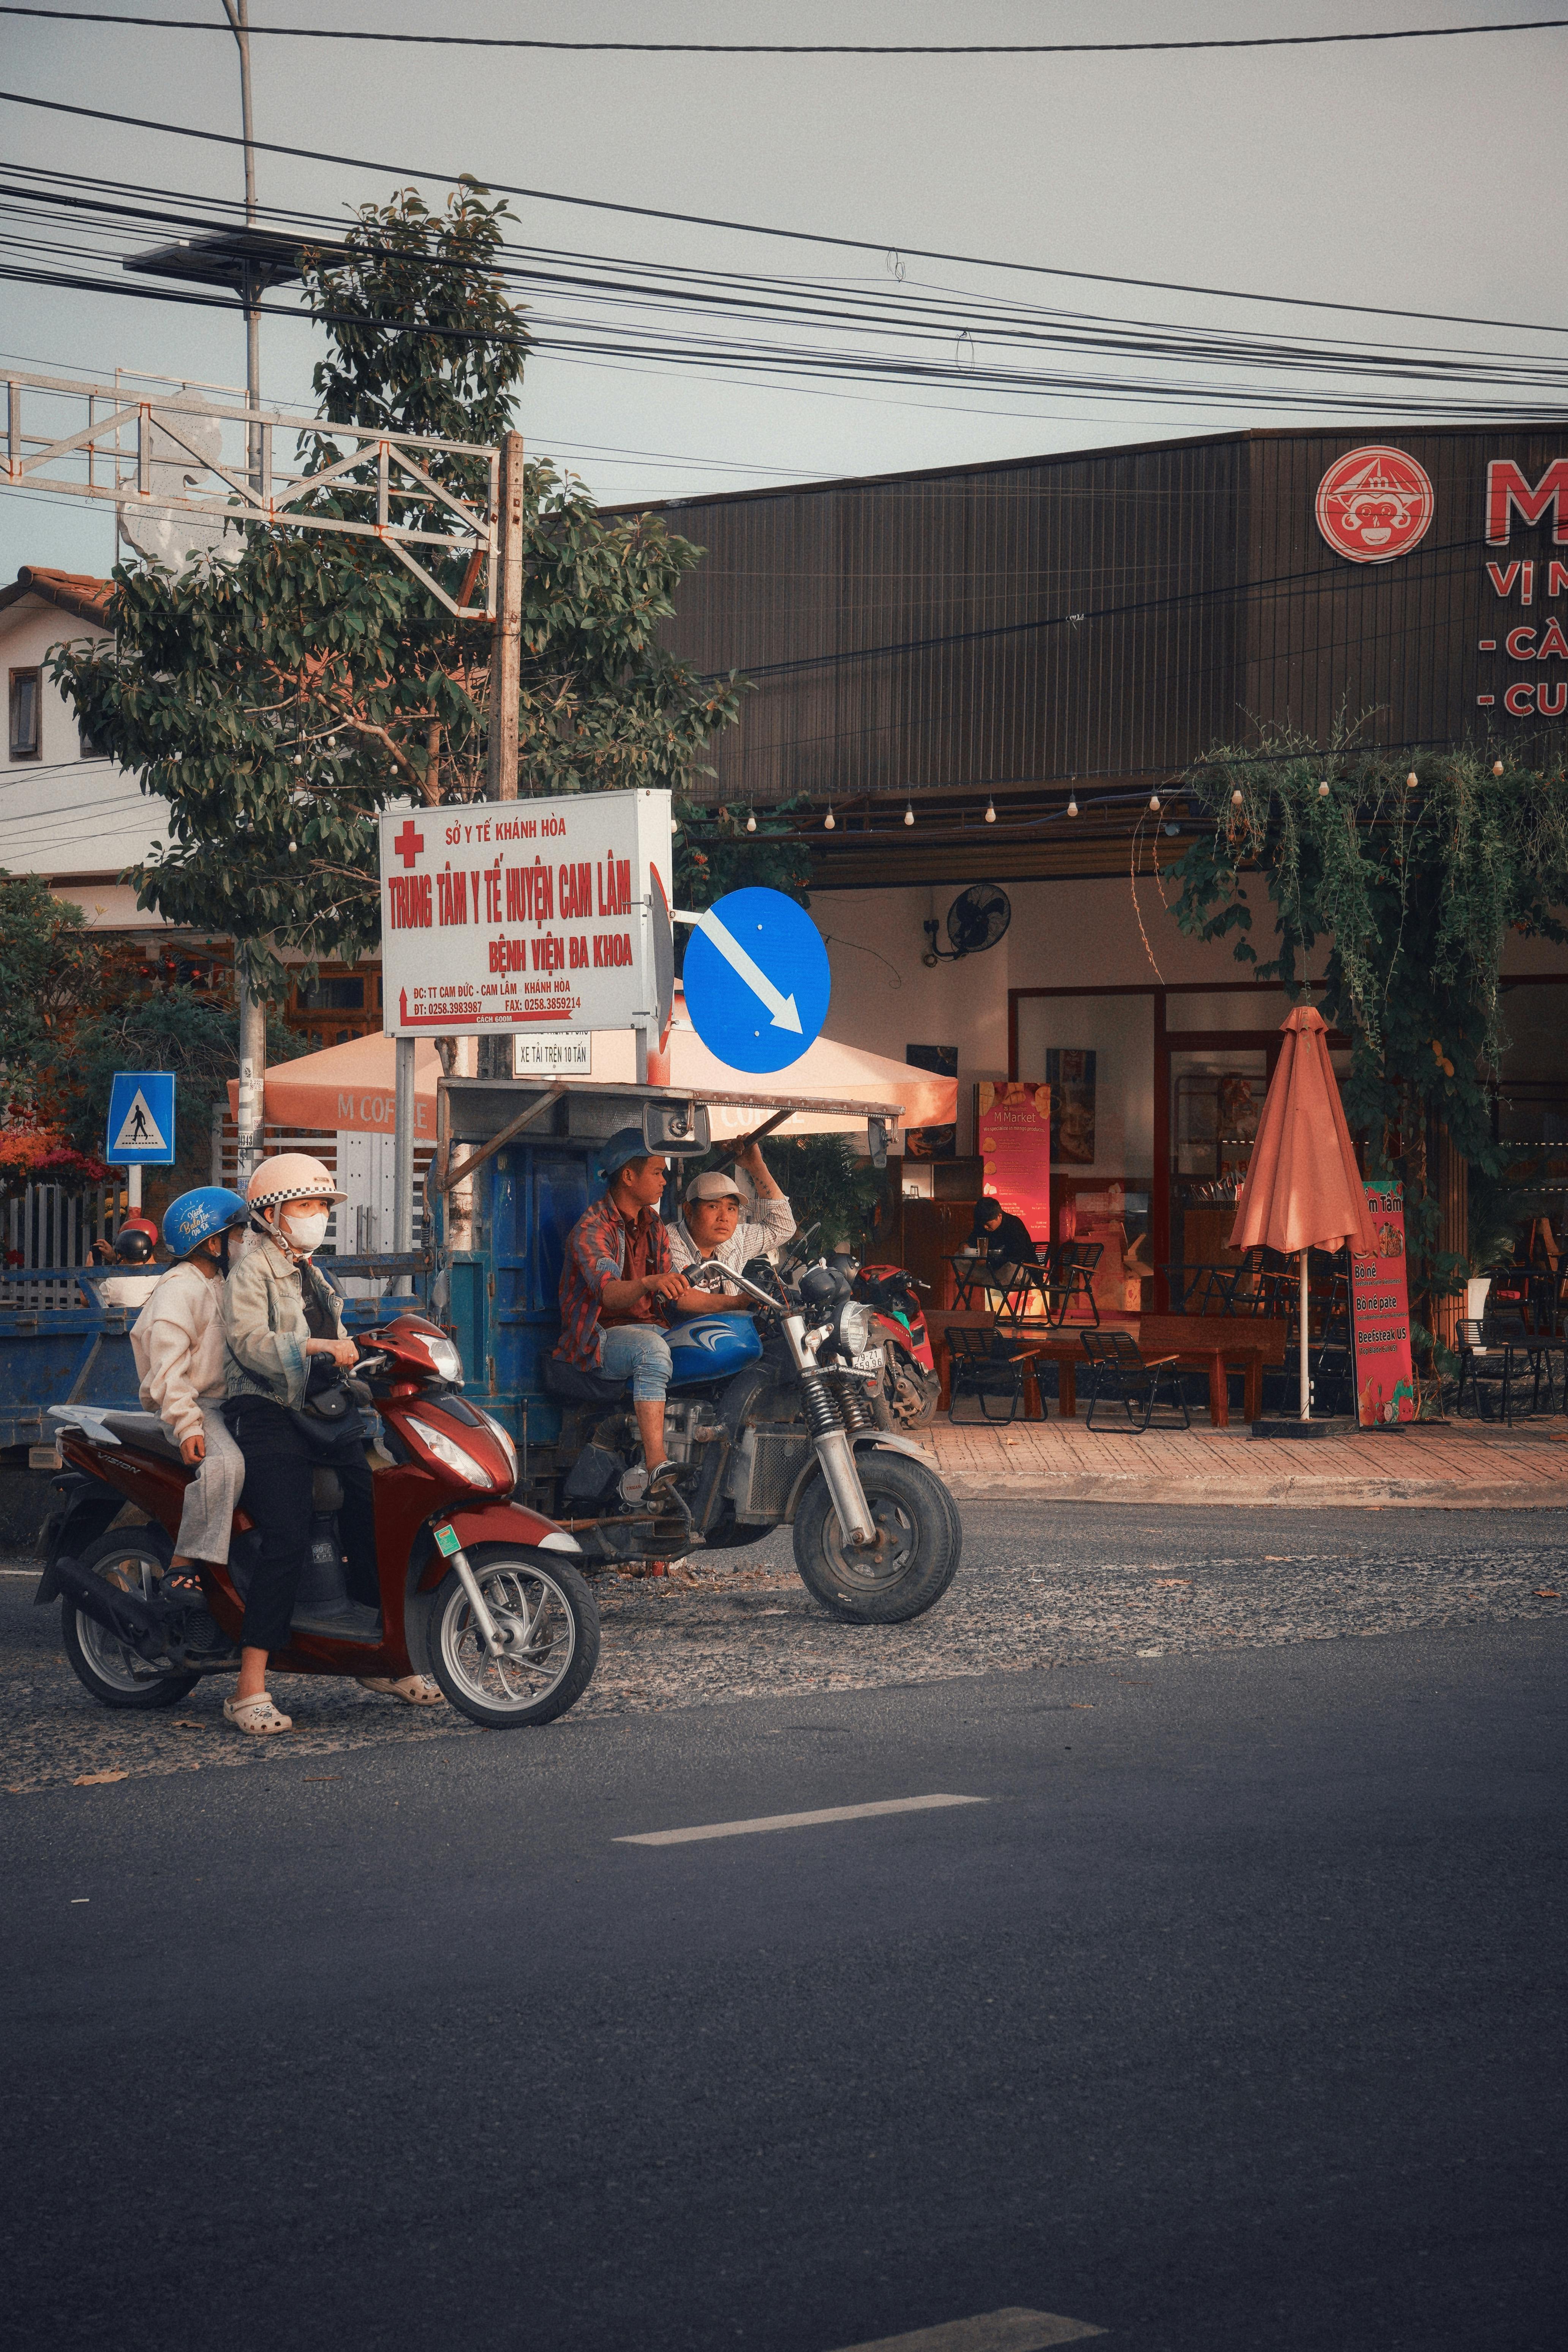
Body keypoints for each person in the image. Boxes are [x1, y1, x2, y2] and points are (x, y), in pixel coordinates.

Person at [222, 1153, 440, 1736]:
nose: (316, 1215)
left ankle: (381, 1658)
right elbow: (250, 1343)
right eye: (304, 1205)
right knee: (287, 1534)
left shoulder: (315, 1273)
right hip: (268, 1412)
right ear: (270, 1214)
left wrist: (372, 1351)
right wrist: (317, 1348)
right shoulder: (252, 1272)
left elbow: (341, 1340)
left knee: (373, 1512)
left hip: (323, 1410)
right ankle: (248, 1687)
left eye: (321, 1206)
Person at [554, 1127, 713, 1485]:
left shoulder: (653, 1225)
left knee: (711, 1343)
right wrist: (647, 1283)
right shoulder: (592, 1227)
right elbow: (608, 1294)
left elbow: (679, 1292)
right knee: (652, 1351)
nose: (664, 1180)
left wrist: (741, 1301)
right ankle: (658, 1465)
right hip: (599, 1340)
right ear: (628, 1175)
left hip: (651, 1327)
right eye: (657, 1172)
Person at [129, 1187, 250, 1608]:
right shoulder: (179, 1288)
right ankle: (183, 1564)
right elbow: (167, 1370)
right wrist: (186, 1425)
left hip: (230, 1404)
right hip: (194, 1406)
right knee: (225, 1466)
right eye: (236, 1234)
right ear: (212, 1243)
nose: (242, 1240)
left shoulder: (219, 1281)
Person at [663, 1142, 796, 1309]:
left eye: (731, 1208)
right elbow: (684, 1299)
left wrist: (756, 1166)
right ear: (689, 1210)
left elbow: (783, 1227)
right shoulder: (669, 1241)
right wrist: (738, 1303)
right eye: (713, 1207)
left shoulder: (734, 1239)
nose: (724, 1218)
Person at [964, 1196, 1041, 1293]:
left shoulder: (1014, 1224)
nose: (985, 1227)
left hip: (1020, 1269)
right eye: (983, 1224)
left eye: (988, 1224)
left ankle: (981, 1281)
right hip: (993, 1269)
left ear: (999, 1216)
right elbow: (972, 1239)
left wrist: (989, 1261)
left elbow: (1017, 1256)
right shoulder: (983, 1225)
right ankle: (987, 1279)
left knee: (1011, 1269)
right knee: (958, 1260)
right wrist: (965, 1245)